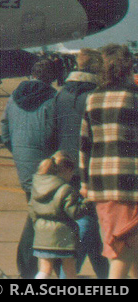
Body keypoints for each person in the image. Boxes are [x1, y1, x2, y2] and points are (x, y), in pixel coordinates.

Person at [79, 43, 138, 280]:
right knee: (123, 249)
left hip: (101, 184)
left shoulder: (93, 98)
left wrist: (85, 184)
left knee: (124, 245)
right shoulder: (134, 97)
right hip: (131, 183)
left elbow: (84, 144)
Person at [2, 56, 61, 278]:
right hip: (45, 166)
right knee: (40, 217)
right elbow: (52, 134)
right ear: (52, 77)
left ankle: (32, 267)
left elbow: (5, 132)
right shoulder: (53, 99)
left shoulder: (13, 97)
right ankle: (28, 267)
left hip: (23, 164)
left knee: (36, 212)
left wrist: (18, 152)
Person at [52, 48, 108, 277]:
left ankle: (106, 273)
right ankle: (68, 275)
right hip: (89, 169)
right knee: (86, 222)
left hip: (64, 167)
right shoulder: (96, 95)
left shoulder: (61, 94)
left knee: (88, 224)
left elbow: (53, 131)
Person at [29, 152, 86, 279]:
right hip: (64, 236)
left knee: (45, 269)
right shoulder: (66, 188)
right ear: (66, 170)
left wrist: (37, 227)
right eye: (72, 173)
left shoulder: (37, 186)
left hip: (42, 235)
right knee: (69, 269)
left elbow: (32, 210)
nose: (72, 177)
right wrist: (87, 201)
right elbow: (74, 212)